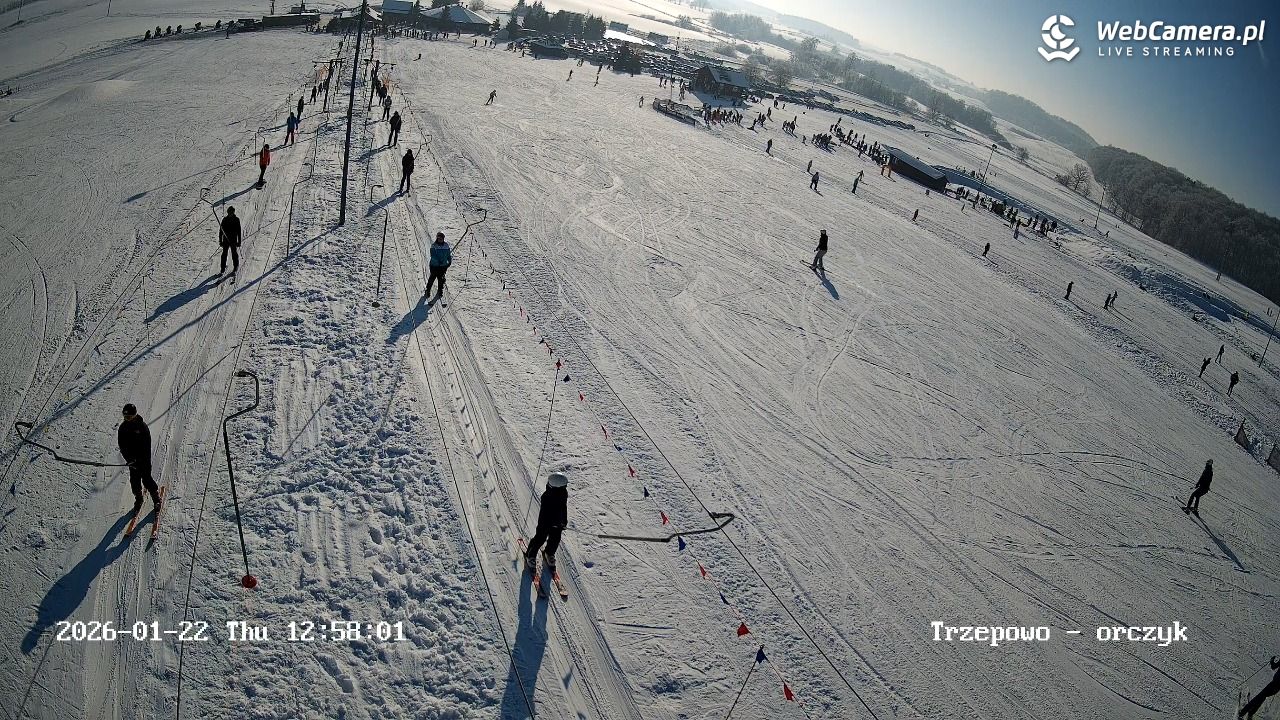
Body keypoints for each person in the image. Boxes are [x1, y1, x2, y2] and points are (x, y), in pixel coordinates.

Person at [118, 404, 162, 515]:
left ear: (134, 415)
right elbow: (122, 446)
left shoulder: (142, 427)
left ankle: (156, 497)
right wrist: (129, 459)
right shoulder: (123, 428)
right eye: (125, 417)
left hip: (143, 460)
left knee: (147, 479)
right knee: (134, 482)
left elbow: (146, 446)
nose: (127, 419)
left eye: (129, 417)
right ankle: (139, 498)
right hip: (132, 462)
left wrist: (141, 460)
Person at [524, 472, 569, 572]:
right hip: (545, 522)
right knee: (540, 539)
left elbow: (563, 508)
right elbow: (546, 513)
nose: (566, 486)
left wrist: (563, 521)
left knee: (555, 539)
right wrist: (552, 522)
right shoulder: (547, 497)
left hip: (557, 523)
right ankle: (530, 555)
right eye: (564, 485)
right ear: (558, 487)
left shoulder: (563, 494)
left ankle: (549, 553)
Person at [424, 232, 452, 298]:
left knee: (441, 279)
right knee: (432, 278)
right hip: (434, 265)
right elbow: (433, 255)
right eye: (438, 238)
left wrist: (449, 261)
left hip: (443, 266)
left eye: (441, 239)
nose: (440, 240)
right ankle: (428, 290)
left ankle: (440, 290)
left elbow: (448, 255)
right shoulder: (434, 246)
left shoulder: (446, 245)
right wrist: (439, 261)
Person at [219, 207, 242, 274]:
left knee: (234, 253)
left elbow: (239, 231)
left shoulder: (236, 220)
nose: (230, 214)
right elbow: (221, 231)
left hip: (233, 240)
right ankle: (222, 268)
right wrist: (220, 241)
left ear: (233, 212)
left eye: (231, 212)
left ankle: (235, 267)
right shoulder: (225, 220)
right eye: (229, 212)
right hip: (226, 240)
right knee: (224, 254)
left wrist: (239, 241)